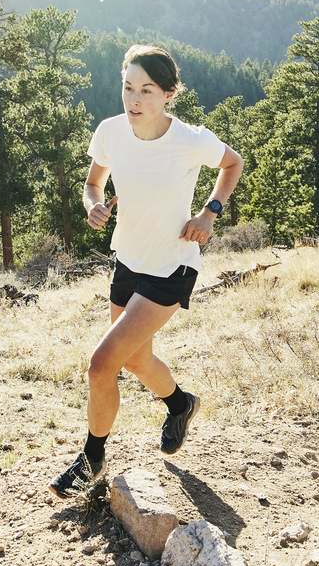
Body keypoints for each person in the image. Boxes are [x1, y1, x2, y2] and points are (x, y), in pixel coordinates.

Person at [51, 45, 244, 497]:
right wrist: (94, 205)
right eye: (128, 88)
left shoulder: (189, 139)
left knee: (102, 365)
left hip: (171, 264)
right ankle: (180, 404)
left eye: (147, 90)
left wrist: (210, 213)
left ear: (169, 94)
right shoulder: (111, 132)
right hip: (128, 259)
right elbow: (92, 182)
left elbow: (232, 163)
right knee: (134, 358)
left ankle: (91, 461)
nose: (134, 100)